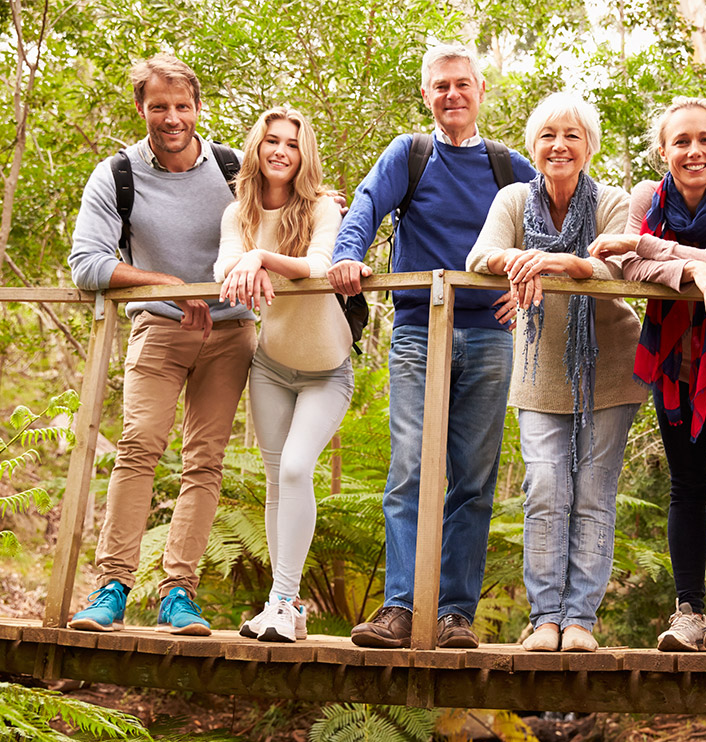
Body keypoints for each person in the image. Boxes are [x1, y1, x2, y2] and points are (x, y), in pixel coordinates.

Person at [327, 43, 536, 649]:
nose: (452, 95)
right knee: (412, 469)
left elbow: (558, 220)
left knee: (472, 478)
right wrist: (347, 255)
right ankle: (399, 608)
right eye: (440, 85)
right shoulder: (410, 154)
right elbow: (366, 205)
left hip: (492, 337)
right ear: (427, 94)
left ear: (480, 91)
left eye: (462, 84)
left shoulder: (508, 165)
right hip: (420, 330)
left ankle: (453, 616)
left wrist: (531, 289)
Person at [67, 54, 257, 635]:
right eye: (159, 107)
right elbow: (86, 264)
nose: (171, 118)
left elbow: (287, 214)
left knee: (205, 460)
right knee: (139, 446)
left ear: (198, 108)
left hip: (230, 332)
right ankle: (112, 589)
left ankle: (179, 593)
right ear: (141, 108)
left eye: (181, 106)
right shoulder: (118, 175)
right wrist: (166, 284)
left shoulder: (233, 168)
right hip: (159, 327)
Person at [589, 97, 706, 653]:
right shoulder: (647, 197)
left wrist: (649, 245)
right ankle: (689, 613)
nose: (694, 151)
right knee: (686, 486)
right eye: (681, 141)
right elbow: (629, 269)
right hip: (676, 361)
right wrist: (690, 264)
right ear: (663, 150)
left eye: (705, 140)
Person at [468, 92, 645, 652]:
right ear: (533, 146)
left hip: (612, 365)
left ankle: (580, 622)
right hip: (539, 368)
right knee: (545, 488)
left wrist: (560, 262)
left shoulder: (611, 200)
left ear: (588, 145)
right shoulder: (514, 199)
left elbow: (617, 263)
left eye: (571, 135)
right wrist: (513, 260)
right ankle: (545, 618)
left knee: (593, 492)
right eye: (548, 135)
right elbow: (480, 256)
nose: (559, 145)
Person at [212, 107, 353, 643]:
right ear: (257, 147)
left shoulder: (320, 207)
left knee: (296, 469)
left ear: (303, 154)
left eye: (292, 144)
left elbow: (320, 266)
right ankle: (286, 606)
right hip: (270, 368)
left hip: (326, 370)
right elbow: (225, 267)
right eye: (271, 141)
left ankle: (280, 602)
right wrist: (247, 259)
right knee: (277, 480)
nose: (280, 151)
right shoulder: (237, 214)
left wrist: (262, 257)